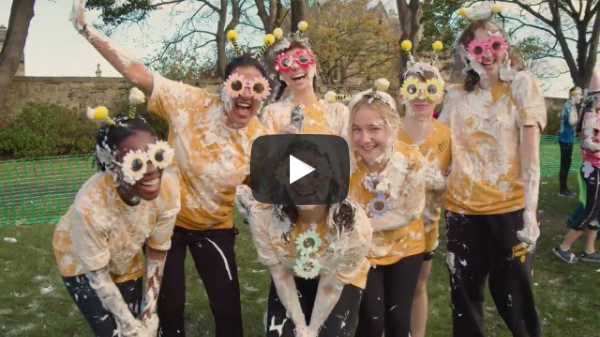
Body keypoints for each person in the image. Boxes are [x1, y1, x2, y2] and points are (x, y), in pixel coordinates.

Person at [70, 1, 270, 335]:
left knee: (228, 309)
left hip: (215, 228)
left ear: (263, 94)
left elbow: (272, 188)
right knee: (169, 305)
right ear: (225, 87)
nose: (246, 94)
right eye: (238, 84)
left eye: (257, 87)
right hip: (168, 222)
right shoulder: (188, 102)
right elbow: (137, 73)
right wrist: (87, 30)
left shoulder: (260, 140)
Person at [438, 3, 546, 336]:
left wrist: (529, 213)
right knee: (465, 304)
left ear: (505, 47)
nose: (488, 55)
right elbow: (434, 147)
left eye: (495, 46)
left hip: (508, 211)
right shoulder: (456, 97)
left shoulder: (521, 87)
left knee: (516, 299)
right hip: (461, 212)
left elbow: (531, 159)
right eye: (479, 48)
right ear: (466, 52)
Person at [53, 93, 180, 337]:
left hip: (125, 251)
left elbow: (157, 249)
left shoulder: (169, 188)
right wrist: (131, 328)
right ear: (112, 168)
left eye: (156, 155)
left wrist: (149, 312)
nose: (153, 169)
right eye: (136, 163)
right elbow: (98, 277)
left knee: (138, 320)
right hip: (80, 259)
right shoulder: (91, 205)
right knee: (112, 330)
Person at [236, 138, 372, 337]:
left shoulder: (354, 227)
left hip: (336, 277)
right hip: (292, 273)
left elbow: (333, 284)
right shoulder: (264, 216)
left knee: (331, 333)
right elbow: (280, 273)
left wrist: (312, 329)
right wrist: (300, 327)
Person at [346, 80, 427, 337]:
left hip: (406, 248)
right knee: (371, 321)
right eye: (356, 129)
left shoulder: (411, 160)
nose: (364, 139)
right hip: (364, 251)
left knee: (398, 320)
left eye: (374, 129)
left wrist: (360, 224)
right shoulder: (344, 159)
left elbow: (408, 212)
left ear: (391, 127)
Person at [396, 42, 451, 337]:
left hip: (427, 227)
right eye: (413, 89)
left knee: (418, 285)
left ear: (439, 96)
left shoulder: (447, 135)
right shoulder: (390, 129)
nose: (421, 97)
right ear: (402, 92)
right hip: (388, 229)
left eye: (429, 89)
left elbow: (455, 180)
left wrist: (440, 182)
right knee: (387, 292)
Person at [260, 23, 348, 136]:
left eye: (302, 59)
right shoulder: (272, 114)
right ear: (281, 75)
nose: (295, 66)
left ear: (314, 66)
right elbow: (264, 153)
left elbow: (349, 152)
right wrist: (279, 144)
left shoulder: (338, 113)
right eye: (286, 63)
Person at [553, 68, 600, 264]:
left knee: (596, 211)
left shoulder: (596, 113)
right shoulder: (590, 115)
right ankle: (563, 248)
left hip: (596, 167)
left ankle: (589, 250)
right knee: (590, 210)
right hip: (593, 169)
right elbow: (586, 143)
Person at [558, 86, 583, 197]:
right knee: (565, 165)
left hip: (564, 138)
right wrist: (581, 120)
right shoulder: (571, 107)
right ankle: (563, 190)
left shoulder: (566, 105)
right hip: (567, 139)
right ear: (573, 95)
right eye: (579, 94)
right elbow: (572, 122)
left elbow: (561, 116)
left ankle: (564, 188)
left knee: (565, 164)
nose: (581, 97)